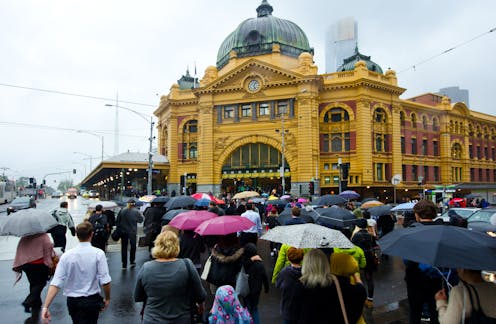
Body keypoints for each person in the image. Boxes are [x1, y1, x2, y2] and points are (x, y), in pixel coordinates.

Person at [41, 221, 111, 324]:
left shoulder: (67, 256)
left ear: (77, 236)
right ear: (91, 234)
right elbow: (105, 281)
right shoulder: (98, 254)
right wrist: (108, 298)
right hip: (91, 300)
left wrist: (45, 306)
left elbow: (56, 282)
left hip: (73, 301)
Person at [134, 231, 207, 324]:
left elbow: (137, 297)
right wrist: (201, 306)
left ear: (157, 246)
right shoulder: (187, 265)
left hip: (152, 319)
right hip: (181, 319)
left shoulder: (146, 268)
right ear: (176, 246)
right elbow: (200, 294)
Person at [297, 249, 366, 324]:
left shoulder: (300, 288)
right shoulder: (337, 283)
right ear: (326, 264)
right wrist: (356, 277)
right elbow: (360, 293)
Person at [405, 199, 444, 324]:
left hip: (415, 279)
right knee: (436, 312)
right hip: (437, 279)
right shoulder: (441, 231)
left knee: (415, 313)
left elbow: (407, 259)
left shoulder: (412, 231)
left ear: (417, 215)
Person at [13, 233, 56, 319]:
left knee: (33, 282)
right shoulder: (43, 236)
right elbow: (48, 250)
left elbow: (20, 250)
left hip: (26, 264)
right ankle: (28, 301)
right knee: (41, 283)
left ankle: (36, 302)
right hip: (39, 264)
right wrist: (50, 263)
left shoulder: (24, 237)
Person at [351, 218, 378, 308]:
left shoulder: (355, 235)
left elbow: (352, 246)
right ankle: (370, 299)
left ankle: (360, 298)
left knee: (357, 278)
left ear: (358, 226)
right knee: (369, 278)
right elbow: (374, 245)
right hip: (369, 257)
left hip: (358, 257)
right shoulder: (370, 235)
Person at [241, 243, 269, 324]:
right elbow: (264, 277)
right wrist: (266, 288)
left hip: (246, 289)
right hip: (256, 290)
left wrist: (250, 260)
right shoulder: (260, 264)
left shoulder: (245, 263)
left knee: (246, 308)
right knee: (254, 309)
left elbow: (243, 265)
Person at [275, 247, 304, 324]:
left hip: (288, 307)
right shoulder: (305, 272)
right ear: (302, 258)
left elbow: (278, 285)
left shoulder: (284, 272)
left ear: (288, 257)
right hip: (302, 309)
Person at [116, 199, 144, 269]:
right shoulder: (136, 211)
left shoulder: (122, 210)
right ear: (134, 204)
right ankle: (132, 261)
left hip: (123, 231)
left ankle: (124, 264)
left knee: (124, 247)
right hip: (132, 232)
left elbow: (117, 221)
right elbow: (141, 220)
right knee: (133, 246)